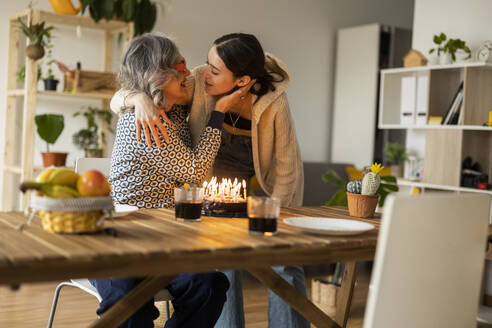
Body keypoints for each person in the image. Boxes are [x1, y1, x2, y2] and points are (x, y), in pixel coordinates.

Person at [111, 33, 307, 328]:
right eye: (206, 64)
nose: (200, 73)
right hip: (203, 185)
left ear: (241, 81)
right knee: (220, 257)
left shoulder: (273, 101)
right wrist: (136, 97)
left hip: (253, 184)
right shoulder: (199, 82)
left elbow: (286, 166)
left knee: (285, 259)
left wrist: (280, 217)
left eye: (214, 69)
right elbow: (136, 87)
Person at [92, 33, 253, 328]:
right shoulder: (143, 122)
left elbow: (125, 91)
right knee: (127, 301)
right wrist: (218, 113)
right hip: (123, 236)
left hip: (166, 236)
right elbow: (196, 172)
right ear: (157, 74)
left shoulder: (174, 103)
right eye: (178, 64)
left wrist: (134, 94)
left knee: (208, 284)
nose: (185, 69)